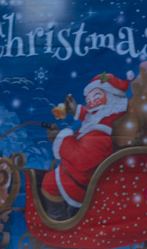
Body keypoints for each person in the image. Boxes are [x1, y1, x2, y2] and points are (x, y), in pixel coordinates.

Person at [43, 73, 131, 212]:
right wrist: (76, 110)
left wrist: (59, 137)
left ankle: (59, 219)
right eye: (88, 100)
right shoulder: (109, 117)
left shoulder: (103, 132)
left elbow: (81, 157)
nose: (91, 103)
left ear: (111, 98)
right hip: (79, 175)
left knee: (49, 182)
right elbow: (93, 116)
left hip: (82, 183)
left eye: (97, 97)